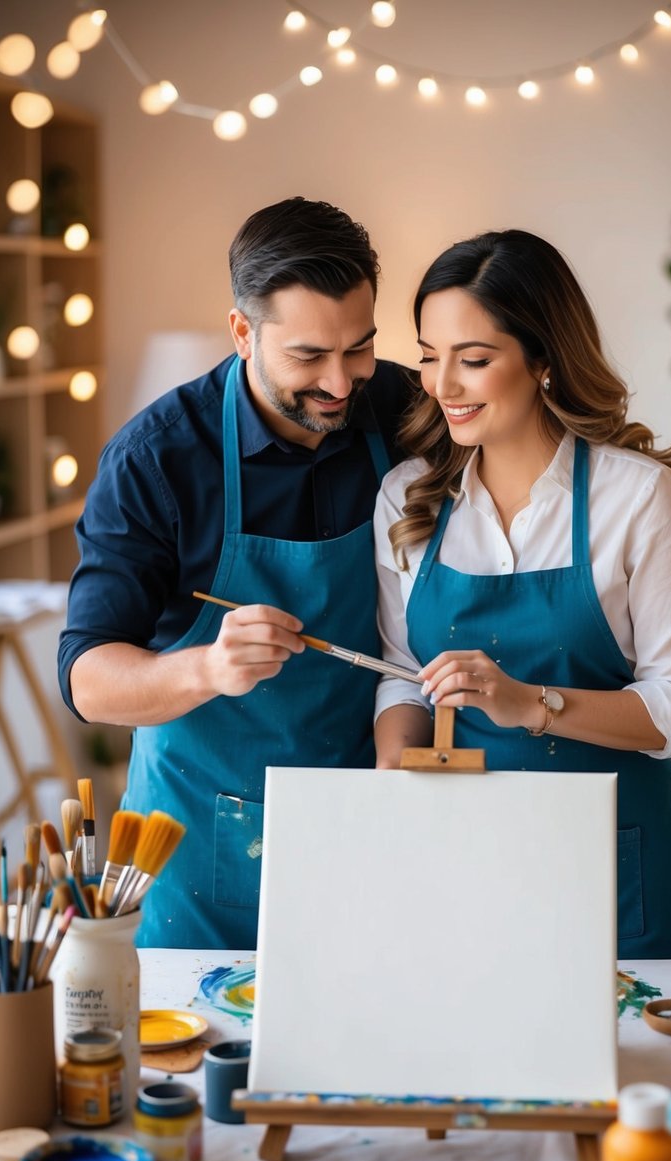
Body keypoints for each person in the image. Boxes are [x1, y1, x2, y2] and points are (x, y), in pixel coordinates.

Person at [59, 197, 414, 949]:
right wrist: (207, 667)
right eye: (308, 357)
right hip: (201, 850)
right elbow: (89, 680)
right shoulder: (156, 458)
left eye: (358, 348)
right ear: (241, 331)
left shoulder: (402, 408)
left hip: (372, 816)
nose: (342, 383)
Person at [373, 229, 671, 960]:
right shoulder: (407, 498)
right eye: (430, 357)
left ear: (543, 361)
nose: (443, 385)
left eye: (472, 360)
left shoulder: (638, 499)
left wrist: (529, 702)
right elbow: (400, 674)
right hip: (461, 856)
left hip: (616, 858)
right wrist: (392, 779)